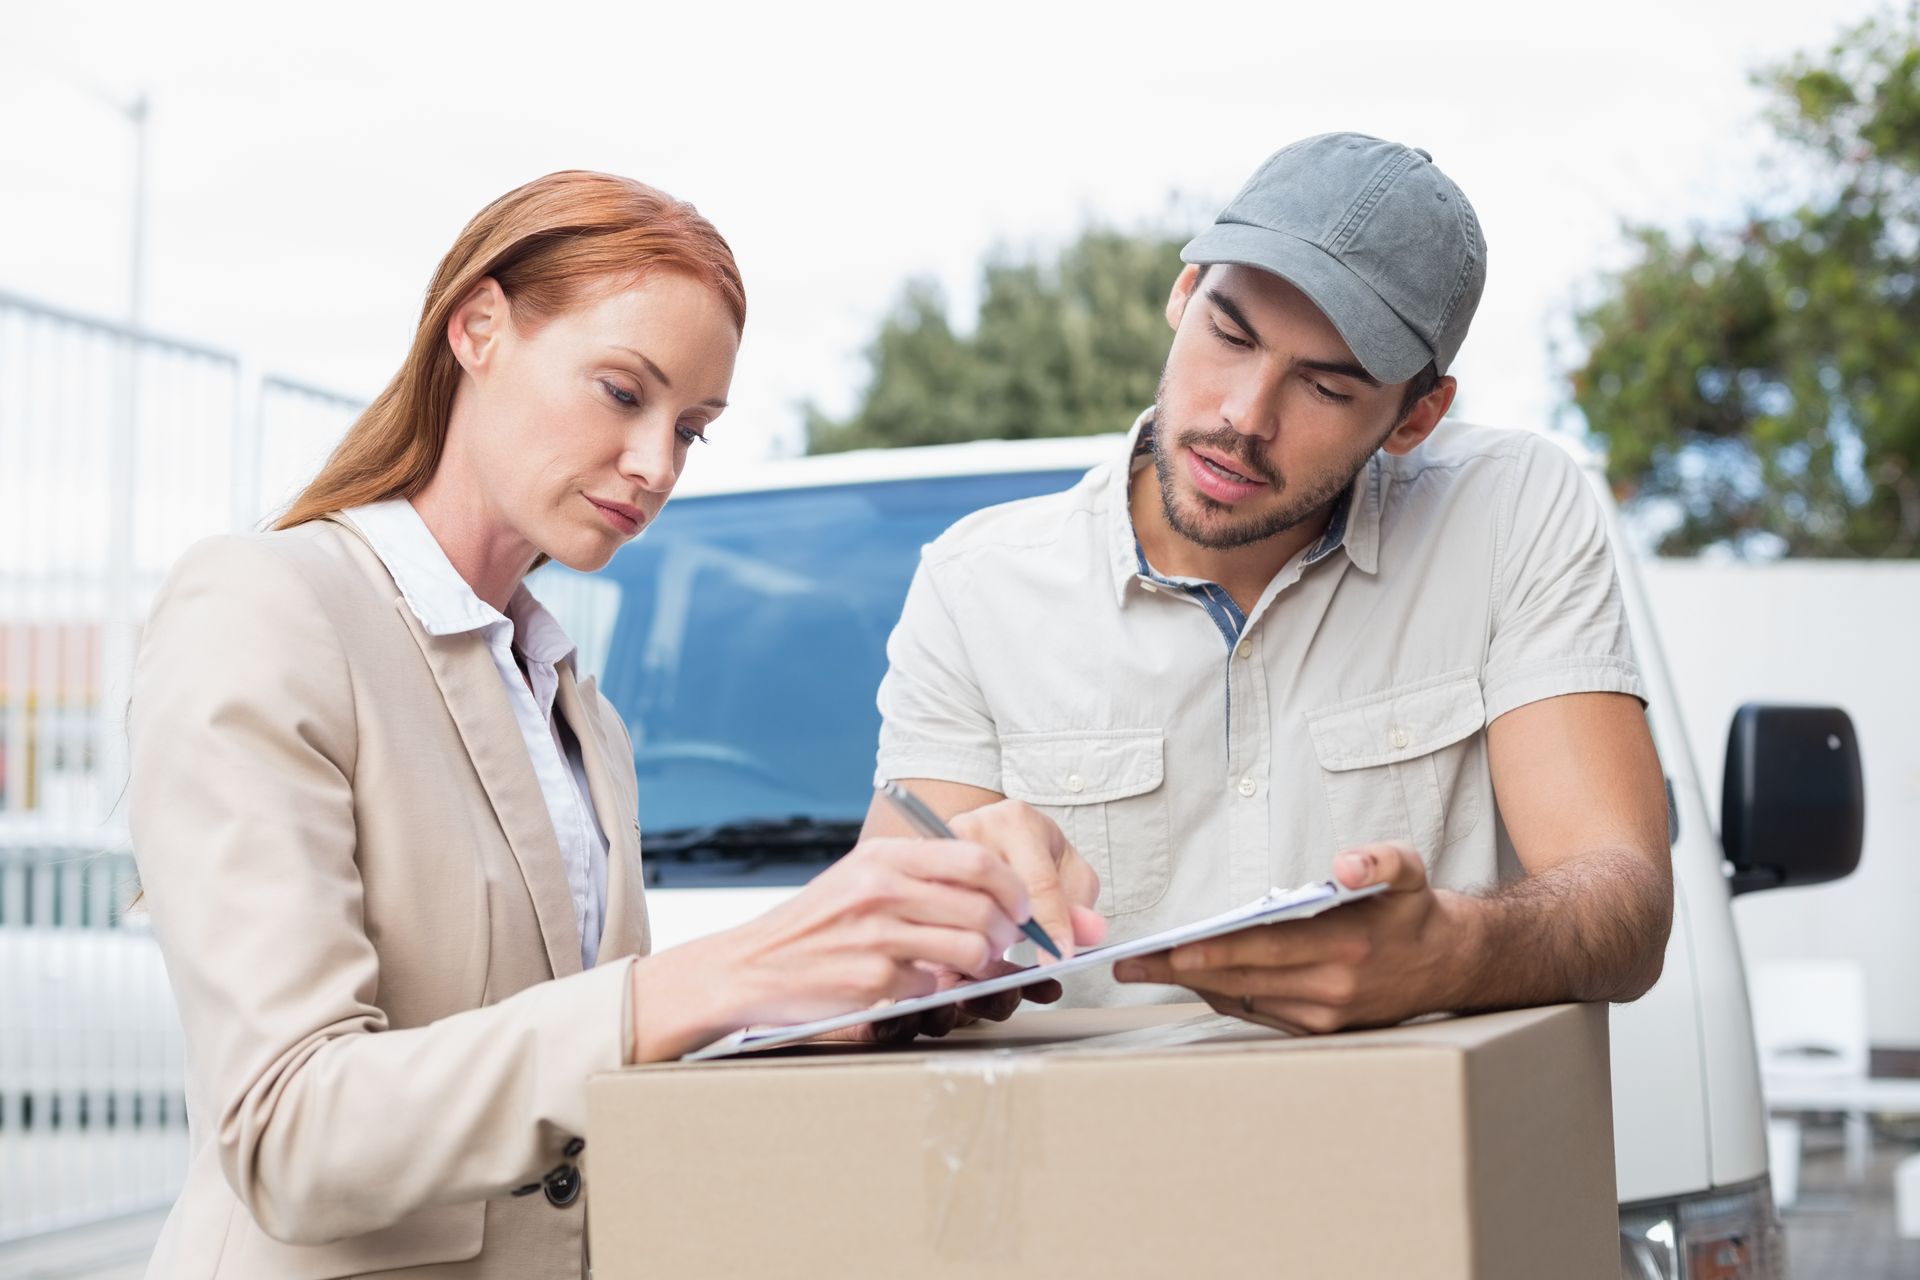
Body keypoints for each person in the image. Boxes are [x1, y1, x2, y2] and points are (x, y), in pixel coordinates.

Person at [127, 171, 1102, 1279]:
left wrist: (843, 997)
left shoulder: (581, 711)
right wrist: (716, 975)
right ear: (479, 327)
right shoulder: (266, 604)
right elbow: (288, 1130)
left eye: (691, 427)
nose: (657, 466)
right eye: (621, 391)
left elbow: (581, 1090)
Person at [861, 133, 1673, 1036]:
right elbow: (878, 975)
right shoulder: (977, 587)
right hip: (1082, 1165)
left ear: (1417, 417)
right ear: (1183, 293)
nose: (1244, 418)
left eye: (1326, 388)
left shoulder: (1511, 512)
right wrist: (931, 934)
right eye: (1231, 335)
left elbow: (1625, 904)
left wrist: (1450, 949)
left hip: (1413, 1156)